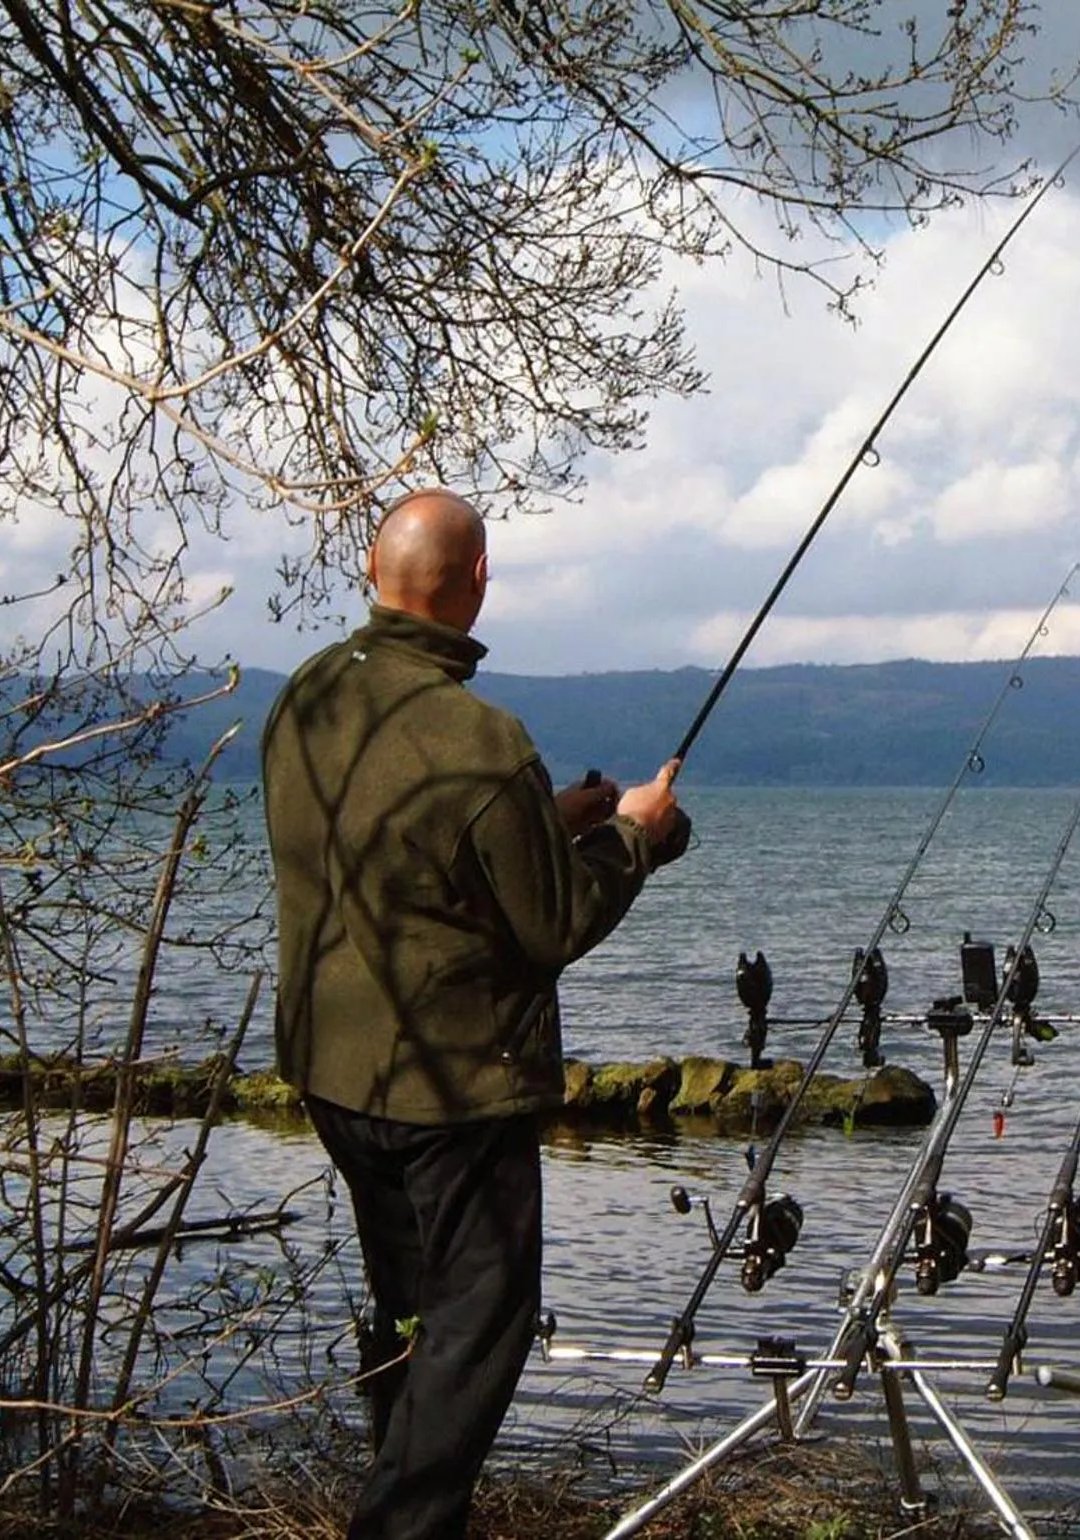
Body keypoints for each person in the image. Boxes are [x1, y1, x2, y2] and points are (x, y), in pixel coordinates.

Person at [260, 487, 689, 1540]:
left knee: (410, 1311)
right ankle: (401, 1525)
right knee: (477, 1326)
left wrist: (549, 820)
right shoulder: (480, 737)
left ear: (374, 572)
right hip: (451, 1090)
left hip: (333, 1073)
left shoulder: (306, 696)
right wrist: (636, 834)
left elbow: (410, 852)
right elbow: (554, 922)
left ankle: (405, 1503)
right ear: (479, 581)